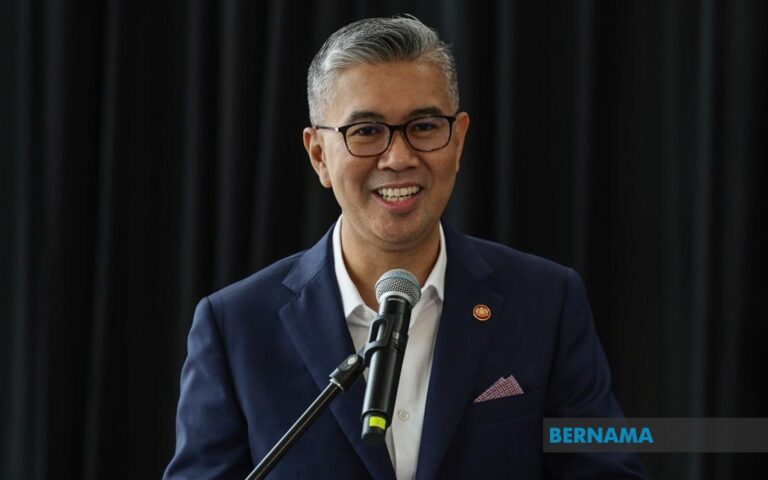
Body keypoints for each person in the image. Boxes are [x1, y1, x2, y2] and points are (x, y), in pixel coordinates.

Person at [165, 16, 647, 479]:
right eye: (366, 132)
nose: (398, 158)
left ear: (458, 141)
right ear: (319, 155)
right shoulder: (235, 327)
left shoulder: (547, 301)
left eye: (424, 126)